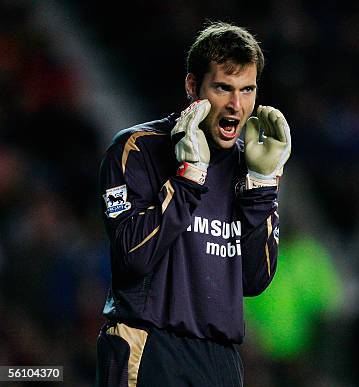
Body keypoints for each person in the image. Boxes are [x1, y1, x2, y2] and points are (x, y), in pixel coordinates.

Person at [95, 21, 291, 386]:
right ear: (192, 86)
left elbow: (255, 280)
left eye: (247, 90)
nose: (236, 105)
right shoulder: (138, 149)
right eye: (223, 88)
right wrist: (188, 177)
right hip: (149, 344)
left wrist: (262, 187)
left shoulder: (250, 166)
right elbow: (132, 256)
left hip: (221, 359)